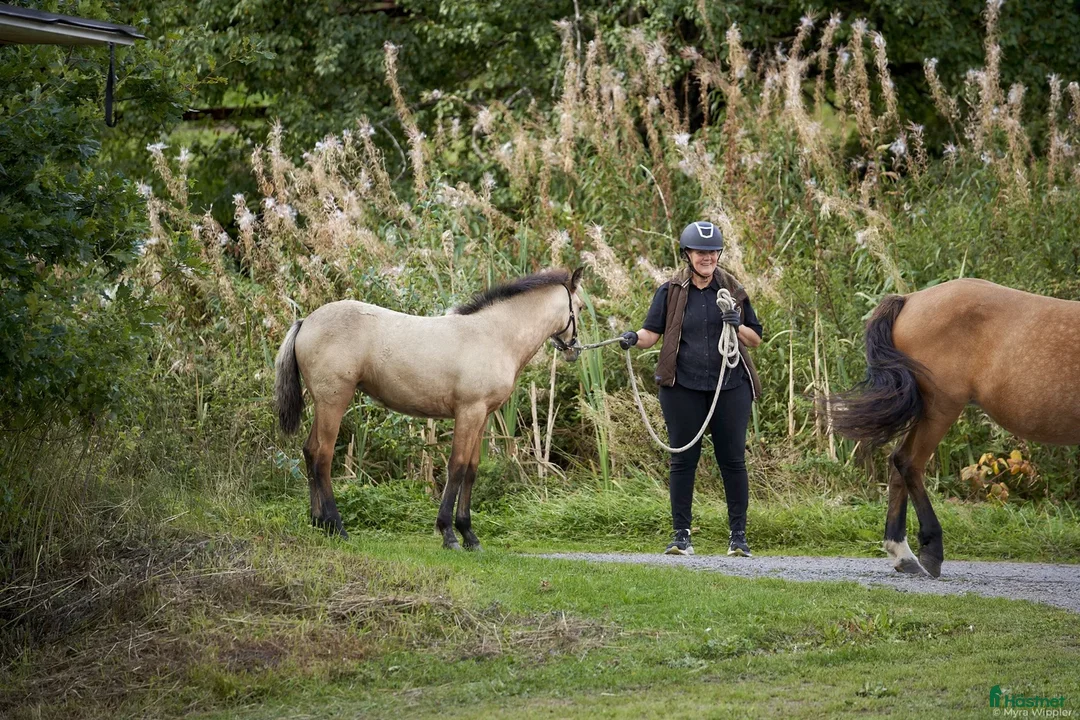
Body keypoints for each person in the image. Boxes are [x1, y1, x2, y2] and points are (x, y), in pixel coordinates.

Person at [620, 221, 763, 557]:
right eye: (701, 252)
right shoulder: (670, 290)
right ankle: (681, 536)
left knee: (733, 461)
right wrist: (632, 338)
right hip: (682, 386)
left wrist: (736, 325)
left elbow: (755, 338)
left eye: (713, 252)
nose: (707, 257)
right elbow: (651, 335)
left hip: (730, 386)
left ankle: (738, 537)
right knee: (683, 460)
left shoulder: (733, 290)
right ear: (687, 254)